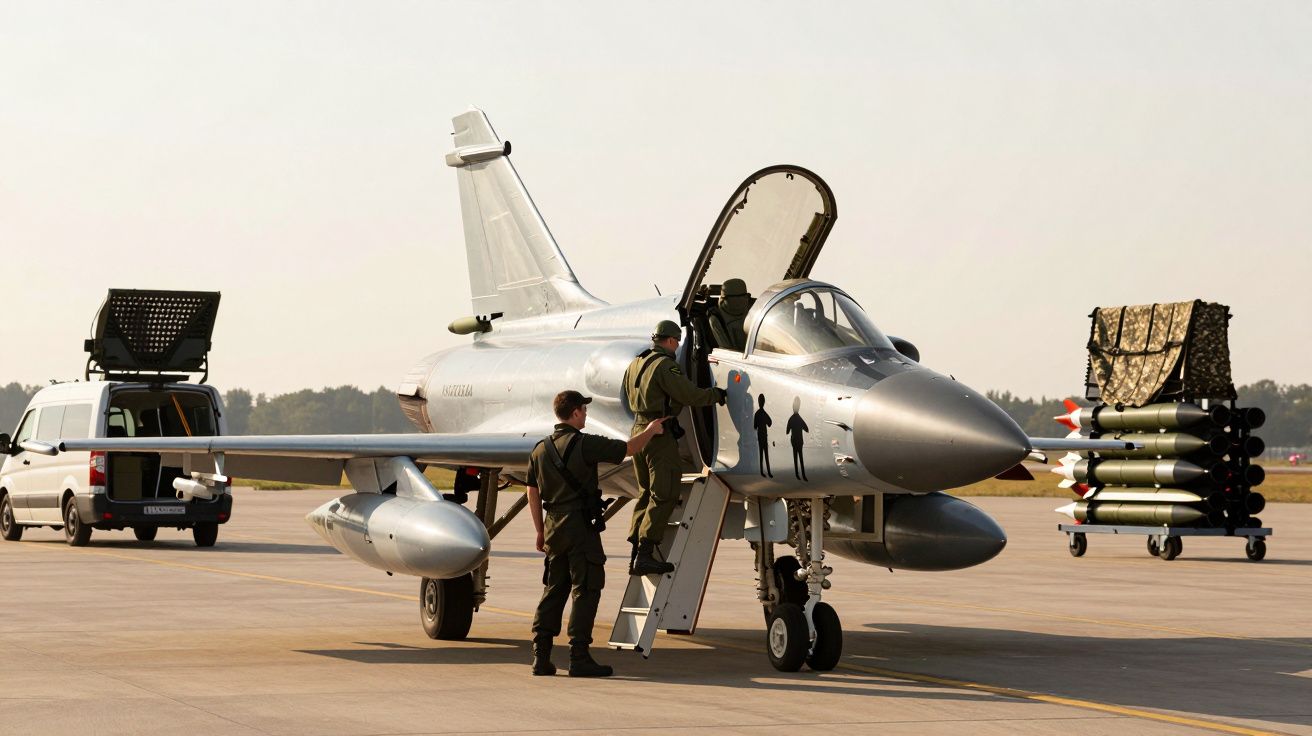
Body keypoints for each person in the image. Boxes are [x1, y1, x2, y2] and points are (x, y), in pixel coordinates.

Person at [525, 390, 665, 677]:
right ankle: (579, 657)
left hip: (553, 527)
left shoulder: (540, 449)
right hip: (579, 527)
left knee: (554, 590)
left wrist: (540, 530)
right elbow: (628, 449)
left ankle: (541, 656)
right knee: (585, 590)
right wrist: (651, 430)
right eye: (584, 410)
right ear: (574, 412)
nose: (586, 414)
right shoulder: (584, 444)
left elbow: (532, 491)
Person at [624, 320, 726, 576]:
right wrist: (718, 395)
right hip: (659, 435)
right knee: (664, 492)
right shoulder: (665, 366)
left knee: (645, 492)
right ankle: (645, 554)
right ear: (670, 340)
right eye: (676, 342)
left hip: (639, 431)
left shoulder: (636, 363)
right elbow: (690, 395)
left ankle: (636, 553)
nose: (677, 346)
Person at [707, 278, 752, 351]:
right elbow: (727, 351)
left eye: (742, 297)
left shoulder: (752, 309)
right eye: (735, 298)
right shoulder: (717, 318)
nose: (739, 302)